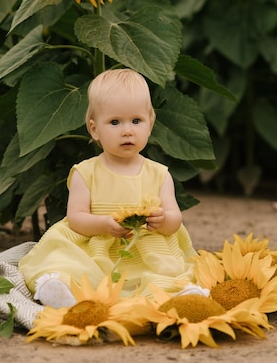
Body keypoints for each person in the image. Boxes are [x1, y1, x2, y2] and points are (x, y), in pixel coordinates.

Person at [18, 69, 204, 308]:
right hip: (97, 248)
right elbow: (76, 219)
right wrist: (104, 224)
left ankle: (177, 296)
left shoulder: (159, 174)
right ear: (94, 129)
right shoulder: (86, 172)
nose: (127, 130)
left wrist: (163, 218)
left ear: (150, 124)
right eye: (115, 122)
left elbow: (175, 219)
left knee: (165, 275)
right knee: (67, 262)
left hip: (145, 250)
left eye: (136, 121)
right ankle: (62, 289)